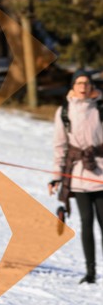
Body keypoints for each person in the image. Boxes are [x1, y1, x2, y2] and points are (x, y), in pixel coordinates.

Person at [48, 70, 103, 284]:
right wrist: (56, 177)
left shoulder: (100, 107)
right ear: (73, 86)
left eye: (86, 83)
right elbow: (59, 147)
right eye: (79, 83)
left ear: (91, 86)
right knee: (86, 222)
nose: (83, 86)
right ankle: (90, 272)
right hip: (78, 177)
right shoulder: (64, 112)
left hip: (100, 174)